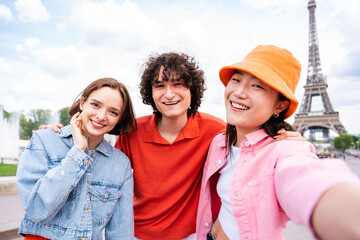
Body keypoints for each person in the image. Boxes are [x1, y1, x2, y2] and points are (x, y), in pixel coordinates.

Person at [41, 52, 302, 240]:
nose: (169, 94)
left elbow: (250, 135)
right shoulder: (133, 131)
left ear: (192, 91)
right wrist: (60, 137)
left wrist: (290, 136)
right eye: (160, 86)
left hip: (190, 235)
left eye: (178, 84)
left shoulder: (214, 130)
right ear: (150, 93)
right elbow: (101, 170)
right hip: (135, 235)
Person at [196, 45, 360, 240]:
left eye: (257, 86)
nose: (239, 92)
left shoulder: (285, 150)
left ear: (279, 106)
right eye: (236, 79)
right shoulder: (219, 143)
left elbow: (307, 179)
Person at [16, 78, 137, 240]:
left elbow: (120, 233)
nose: (101, 116)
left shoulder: (121, 164)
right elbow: (37, 209)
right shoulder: (44, 140)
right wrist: (78, 151)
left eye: (113, 112)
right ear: (83, 103)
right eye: (95, 105)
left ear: (119, 119)